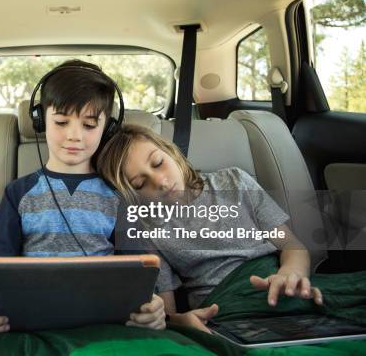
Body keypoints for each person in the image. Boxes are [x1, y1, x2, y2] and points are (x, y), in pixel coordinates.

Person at [0, 60, 167, 332]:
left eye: (89, 125)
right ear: (40, 121)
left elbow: (139, 270)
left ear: (108, 127)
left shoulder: (119, 196)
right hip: (30, 318)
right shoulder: (19, 192)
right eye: (61, 121)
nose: (74, 136)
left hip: (104, 319)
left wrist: (151, 304)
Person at [97, 124, 323, 332]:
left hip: (278, 288)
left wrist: (290, 274)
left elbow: (293, 246)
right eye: (140, 184)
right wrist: (182, 320)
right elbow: (166, 311)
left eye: (158, 163)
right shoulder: (148, 228)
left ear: (171, 152)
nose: (161, 182)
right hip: (225, 310)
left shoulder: (235, 181)